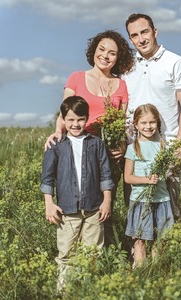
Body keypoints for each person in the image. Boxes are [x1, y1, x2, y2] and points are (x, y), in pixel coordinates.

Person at [45, 30, 135, 245]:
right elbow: (64, 113)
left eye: (112, 53)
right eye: (101, 49)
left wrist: (121, 145)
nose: (105, 55)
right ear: (94, 50)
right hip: (76, 148)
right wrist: (58, 132)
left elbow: (121, 121)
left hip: (107, 154)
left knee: (104, 207)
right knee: (76, 202)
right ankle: (71, 252)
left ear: (118, 58)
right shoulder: (76, 78)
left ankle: (102, 256)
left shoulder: (120, 85)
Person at [123, 13, 181, 221]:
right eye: (134, 35)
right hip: (134, 148)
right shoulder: (126, 67)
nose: (141, 39)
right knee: (136, 209)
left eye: (144, 32)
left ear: (155, 32)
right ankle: (139, 252)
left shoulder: (176, 62)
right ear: (130, 39)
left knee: (168, 210)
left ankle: (166, 253)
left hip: (166, 147)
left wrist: (179, 146)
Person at [40, 96, 114, 290]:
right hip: (67, 210)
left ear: (87, 118)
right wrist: (49, 204)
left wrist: (107, 200)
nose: (75, 124)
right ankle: (64, 290)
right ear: (63, 120)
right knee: (66, 253)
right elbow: (47, 178)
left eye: (80, 119)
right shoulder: (56, 145)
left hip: (93, 208)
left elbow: (106, 174)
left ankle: (88, 289)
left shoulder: (96, 143)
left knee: (93, 253)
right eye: (70, 120)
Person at [124, 104, 174, 266]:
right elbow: (128, 178)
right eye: (143, 123)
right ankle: (140, 272)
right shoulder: (133, 148)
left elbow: (166, 171)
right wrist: (146, 180)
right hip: (141, 201)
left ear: (157, 123)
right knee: (140, 240)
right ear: (136, 125)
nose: (148, 126)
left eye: (152, 122)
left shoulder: (162, 146)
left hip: (161, 199)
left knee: (160, 240)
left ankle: (156, 271)